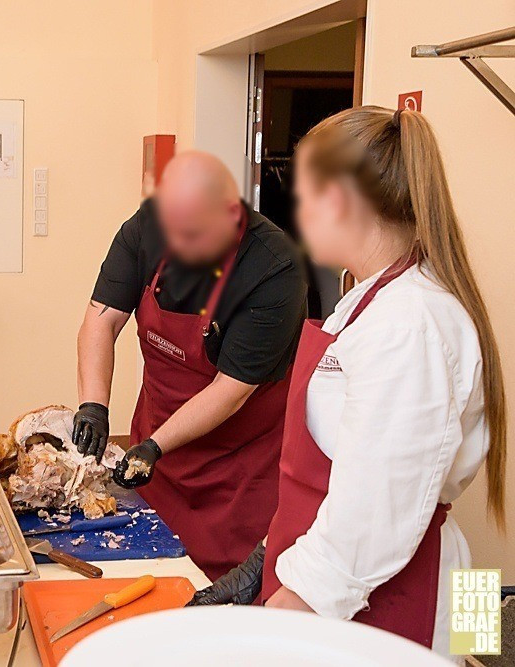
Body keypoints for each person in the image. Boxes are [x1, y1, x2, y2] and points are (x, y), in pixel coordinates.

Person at [190, 106, 506, 660]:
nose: (298, 213)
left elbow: (379, 507)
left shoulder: (411, 322)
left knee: (467, 656)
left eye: (304, 197)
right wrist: (268, 559)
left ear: (337, 201)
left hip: (401, 589)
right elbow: (342, 477)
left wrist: (291, 606)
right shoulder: (371, 301)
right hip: (359, 569)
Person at [73, 151, 307, 579]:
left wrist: (155, 446)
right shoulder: (144, 229)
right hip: (156, 458)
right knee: (155, 577)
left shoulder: (274, 269)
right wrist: (94, 404)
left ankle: (472, 639)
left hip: (238, 470)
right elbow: (100, 319)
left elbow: (230, 390)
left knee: (228, 599)